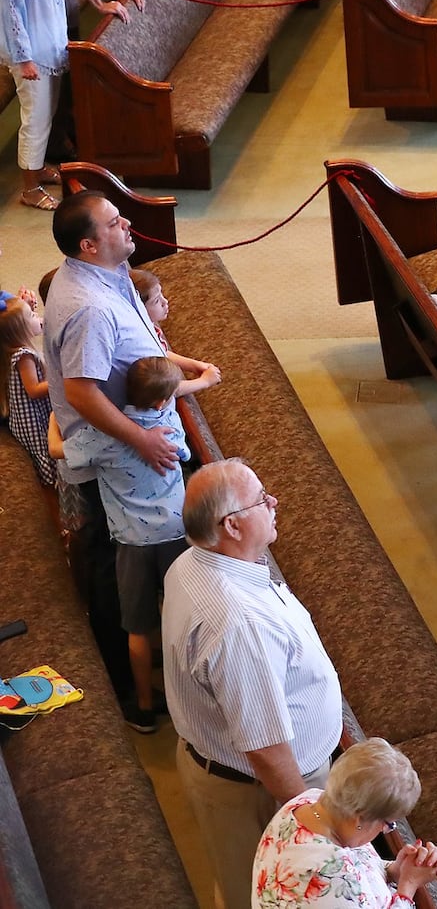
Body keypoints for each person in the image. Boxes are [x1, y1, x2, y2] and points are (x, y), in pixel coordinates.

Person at [164, 459, 344, 909]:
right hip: (257, 793)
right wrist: (306, 820)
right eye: (263, 499)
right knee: (263, 896)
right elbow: (264, 747)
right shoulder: (237, 623)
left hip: (231, 773)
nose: (274, 502)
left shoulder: (190, 562)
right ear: (232, 525)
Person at [43, 190, 167, 706]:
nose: (129, 224)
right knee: (113, 574)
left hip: (121, 454)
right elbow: (81, 392)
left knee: (121, 568)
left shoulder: (105, 275)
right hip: (109, 465)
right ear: (89, 245)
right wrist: (143, 438)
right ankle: (123, 686)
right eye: (117, 222)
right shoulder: (88, 307)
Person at [69, 354, 188, 732]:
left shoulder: (104, 434)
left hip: (132, 542)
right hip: (176, 534)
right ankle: (180, 699)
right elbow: (184, 455)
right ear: (162, 401)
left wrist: (56, 424)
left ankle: (143, 705)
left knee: (137, 628)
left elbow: (64, 454)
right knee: (176, 622)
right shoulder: (169, 422)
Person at [252, 738, 437, 909]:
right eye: (388, 824)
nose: (385, 831)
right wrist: (409, 885)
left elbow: (358, 865)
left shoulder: (310, 801)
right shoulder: (330, 878)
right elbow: (344, 878)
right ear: (360, 818)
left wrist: (395, 870)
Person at [0, 0, 69, 211]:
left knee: (48, 112)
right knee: (36, 117)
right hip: (30, 55)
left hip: (51, 44)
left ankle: (38, 167)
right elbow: (9, 10)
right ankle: (29, 188)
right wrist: (23, 58)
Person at [129, 268, 223, 396]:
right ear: (138, 310)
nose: (165, 301)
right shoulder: (142, 348)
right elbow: (166, 390)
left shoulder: (144, 328)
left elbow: (162, 352)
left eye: (161, 294)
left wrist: (194, 365)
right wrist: (204, 381)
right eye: (156, 301)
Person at [2, 296, 54, 488]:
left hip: (26, 420)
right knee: (47, 459)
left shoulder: (11, 350)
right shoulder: (24, 356)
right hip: (35, 422)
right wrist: (60, 380)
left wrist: (27, 309)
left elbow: (41, 324)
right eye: (33, 315)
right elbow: (33, 390)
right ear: (21, 329)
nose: (38, 316)